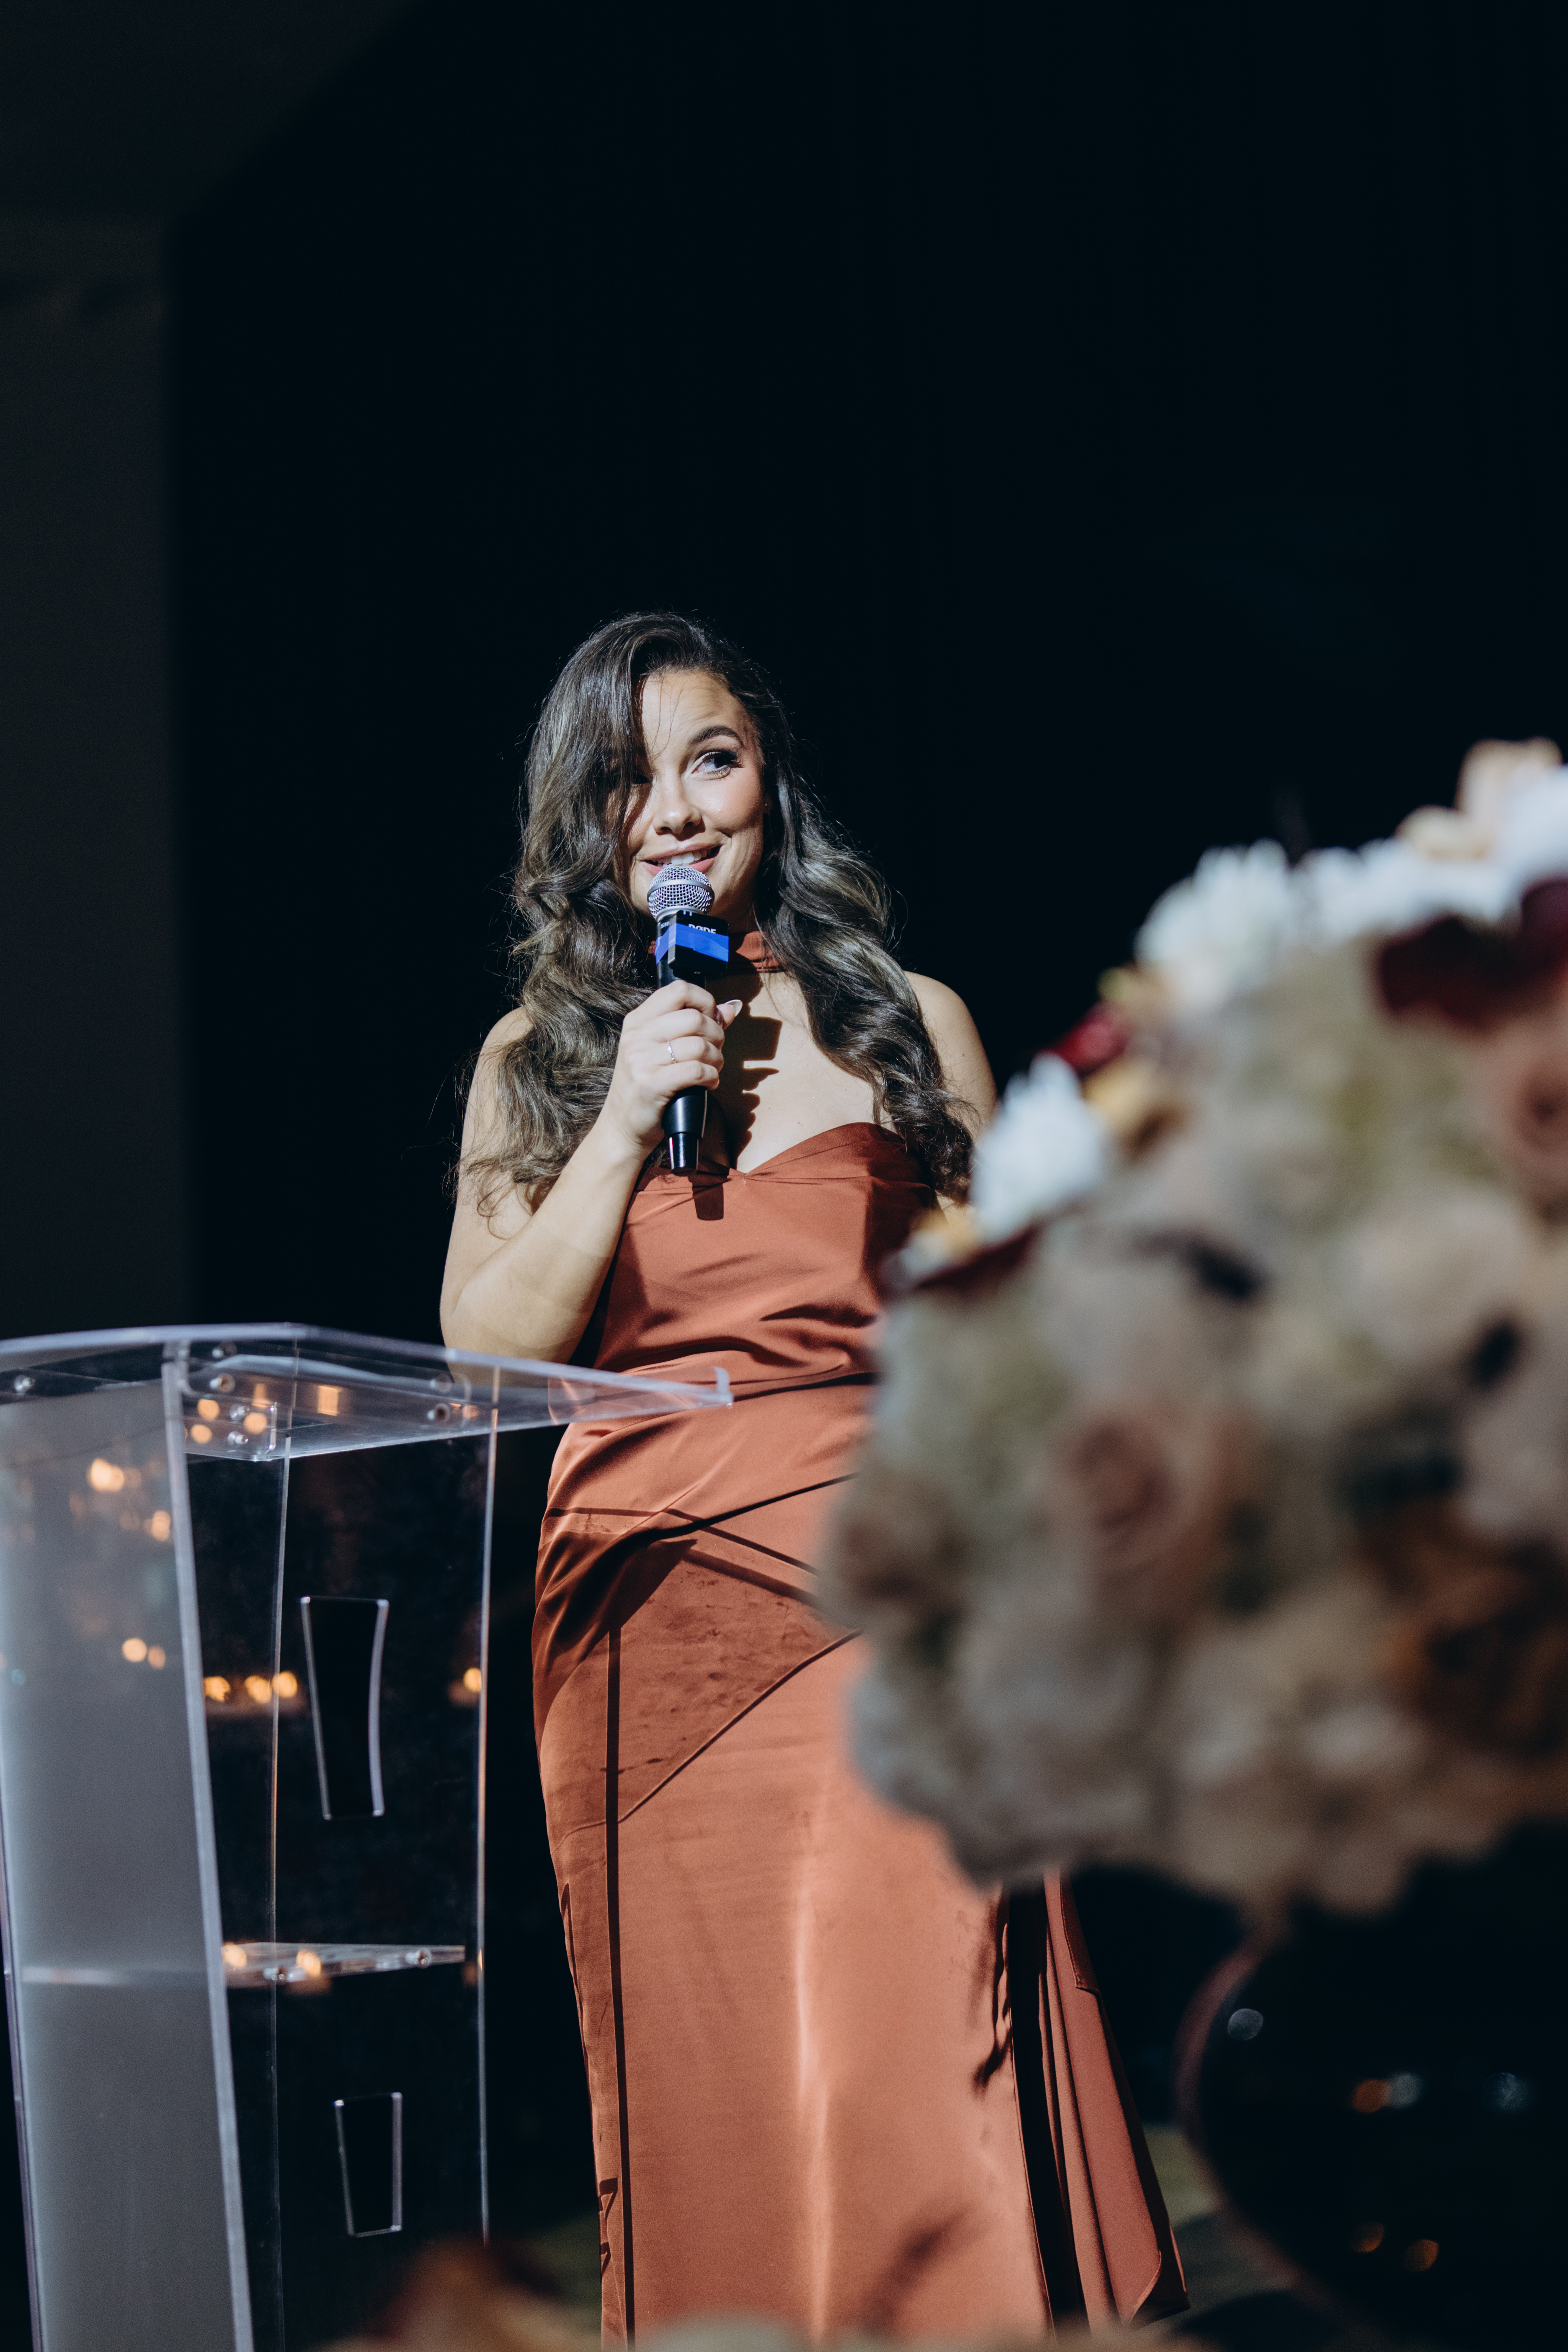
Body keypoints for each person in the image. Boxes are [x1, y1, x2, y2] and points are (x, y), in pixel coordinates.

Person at [442, 614, 1183, 2342]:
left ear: (768, 782)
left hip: (880, 1584)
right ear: (586, 821)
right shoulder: (536, 1060)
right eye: (630, 780)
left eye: (711, 760)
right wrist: (622, 1118)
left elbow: (1013, 1340)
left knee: (910, 2020)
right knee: (713, 2066)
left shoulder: (906, 1023)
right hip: (643, 1614)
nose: (678, 811)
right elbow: (488, 1364)